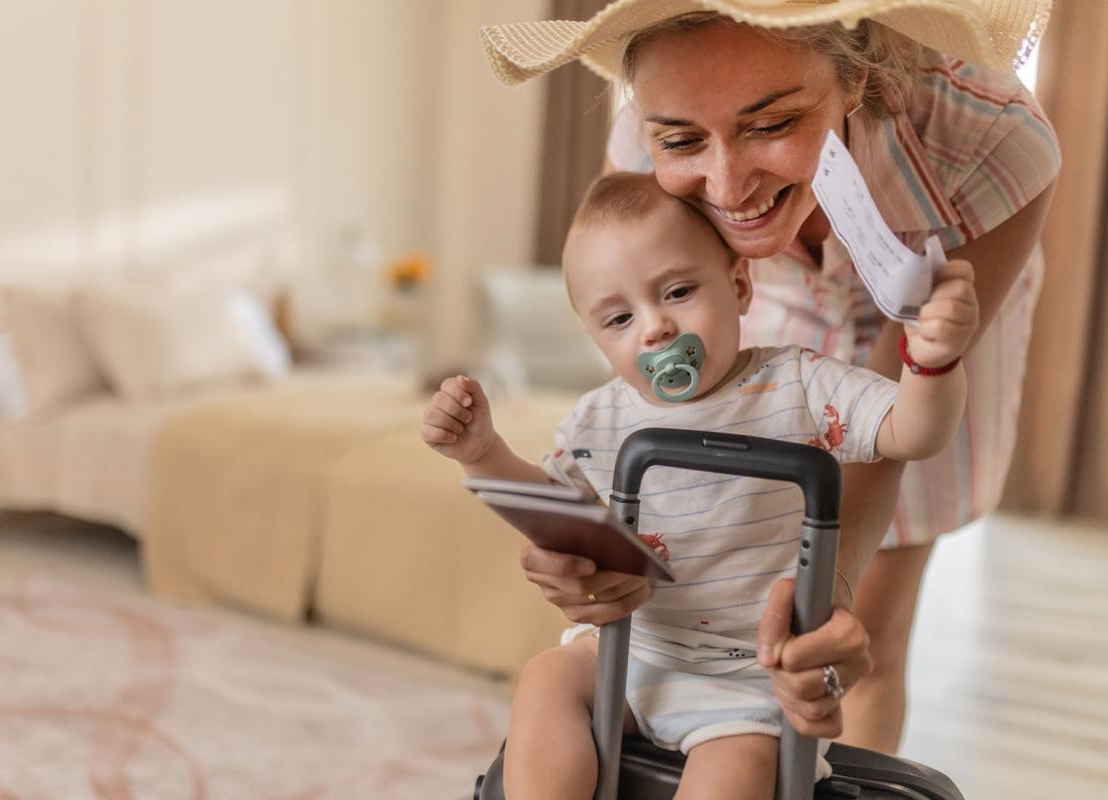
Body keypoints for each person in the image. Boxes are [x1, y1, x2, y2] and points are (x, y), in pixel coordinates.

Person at [480, 0, 1060, 754]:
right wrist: (587, 538)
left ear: (853, 80)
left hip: (933, 339)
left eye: (773, 123)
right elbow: (641, 356)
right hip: (758, 307)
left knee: (861, 637)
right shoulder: (643, 135)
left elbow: (888, 427)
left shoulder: (992, 142)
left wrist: (833, 587)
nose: (726, 187)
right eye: (683, 138)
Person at [421, 171, 978, 798]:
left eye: (679, 291)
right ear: (595, 339)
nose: (655, 328)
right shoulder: (597, 418)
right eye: (619, 318)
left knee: (736, 770)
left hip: (749, 678)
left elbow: (913, 432)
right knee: (547, 678)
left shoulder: (799, 385)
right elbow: (554, 509)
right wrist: (484, 454)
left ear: (739, 285)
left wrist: (932, 362)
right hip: (632, 649)